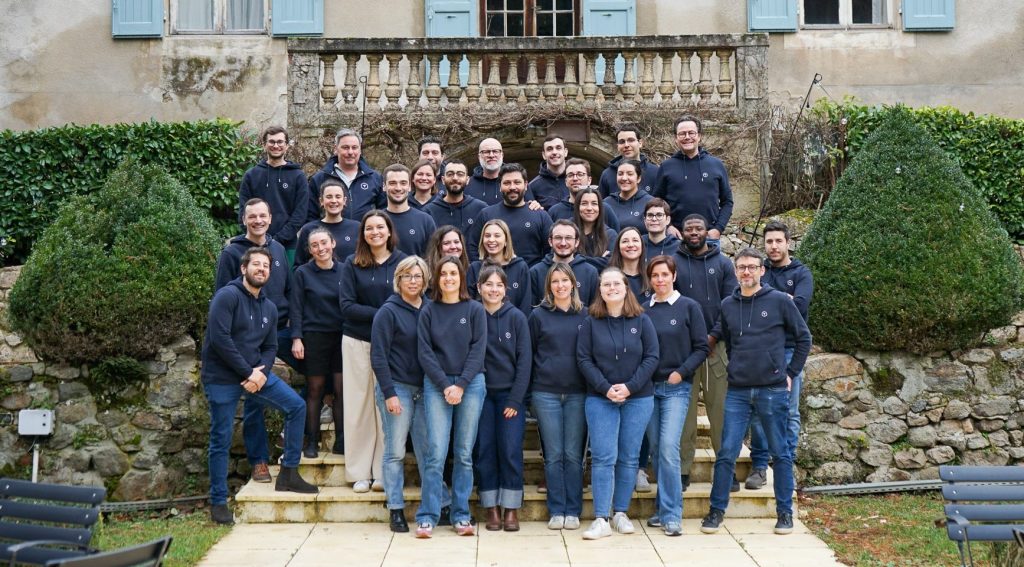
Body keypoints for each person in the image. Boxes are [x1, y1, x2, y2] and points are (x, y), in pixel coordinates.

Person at [700, 248, 811, 537]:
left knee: (781, 453)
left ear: (762, 271)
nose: (746, 272)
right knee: (726, 452)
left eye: (751, 267)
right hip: (737, 390)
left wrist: (790, 372)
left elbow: (803, 337)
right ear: (735, 271)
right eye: (741, 267)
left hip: (772, 389)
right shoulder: (727, 304)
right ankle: (716, 511)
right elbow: (722, 337)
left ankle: (785, 513)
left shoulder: (778, 301)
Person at [202, 247, 317, 525]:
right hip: (223, 376)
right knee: (221, 439)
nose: (261, 269)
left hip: (256, 373)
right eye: (256, 264)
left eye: (266, 266)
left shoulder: (268, 307)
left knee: (297, 406)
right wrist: (247, 372)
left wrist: (261, 373)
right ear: (244, 268)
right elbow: (219, 339)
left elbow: (270, 346)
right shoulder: (227, 297)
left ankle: (288, 473)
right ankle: (218, 503)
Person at [214, 198, 294, 485]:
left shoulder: (279, 250)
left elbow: (288, 290)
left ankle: (298, 437)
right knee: (254, 401)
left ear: (270, 218)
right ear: (244, 219)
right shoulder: (232, 252)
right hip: (244, 340)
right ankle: (259, 461)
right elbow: (221, 297)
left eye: (263, 215)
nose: (258, 220)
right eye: (252, 216)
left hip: (278, 333)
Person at [577, 267, 659, 540]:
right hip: (600, 399)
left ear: (626, 288)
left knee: (629, 456)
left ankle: (620, 513)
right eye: (606, 284)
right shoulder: (591, 321)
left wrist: (630, 387)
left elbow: (652, 357)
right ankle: (601, 518)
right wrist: (605, 388)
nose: (611, 288)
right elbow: (583, 359)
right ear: (599, 290)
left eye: (617, 284)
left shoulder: (642, 319)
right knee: (603, 457)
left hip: (638, 398)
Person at [416, 256, 487, 538]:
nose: (448, 278)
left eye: (453, 273)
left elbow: (478, 349)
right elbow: (425, 352)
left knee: (464, 453)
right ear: (437, 277)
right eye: (443, 273)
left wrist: (461, 384)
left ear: (461, 277)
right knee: (435, 452)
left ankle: (461, 514)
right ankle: (428, 514)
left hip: (471, 384)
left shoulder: (474, 310)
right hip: (437, 384)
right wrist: (446, 384)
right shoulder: (428, 310)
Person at [338, 211, 407, 493]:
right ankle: (359, 472)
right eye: (369, 228)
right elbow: (347, 306)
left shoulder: (402, 262)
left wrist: (389, 318)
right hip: (357, 341)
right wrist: (385, 313)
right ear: (363, 233)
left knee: (385, 407)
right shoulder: (352, 264)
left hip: (392, 345)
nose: (375, 232)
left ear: (389, 231)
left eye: (380, 227)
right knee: (358, 406)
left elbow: (410, 298)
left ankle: (381, 471)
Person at [642, 255, 709, 536]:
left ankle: (672, 514)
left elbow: (702, 347)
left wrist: (681, 372)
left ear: (673, 275)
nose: (659, 280)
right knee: (657, 451)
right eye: (654, 275)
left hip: (676, 388)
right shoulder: (643, 308)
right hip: (647, 389)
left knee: (669, 448)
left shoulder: (688, 307)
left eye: (664, 275)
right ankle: (661, 507)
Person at [745, 220, 814, 490]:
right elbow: (749, 302)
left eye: (778, 241)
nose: (773, 246)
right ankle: (760, 467)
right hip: (761, 353)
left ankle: (787, 465)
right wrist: (782, 298)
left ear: (788, 243)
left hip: (789, 351)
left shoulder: (801, 274)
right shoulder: (760, 271)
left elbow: (799, 305)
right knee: (759, 412)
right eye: (769, 241)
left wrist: (770, 299)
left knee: (789, 412)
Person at [674, 213, 738, 493]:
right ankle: (682, 470)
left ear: (707, 232)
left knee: (720, 412)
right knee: (683, 415)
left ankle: (727, 471)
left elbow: (731, 305)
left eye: (698, 227)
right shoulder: (673, 262)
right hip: (684, 352)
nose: (694, 232)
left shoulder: (723, 263)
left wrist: (712, 336)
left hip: (716, 349)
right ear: (683, 232)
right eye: (689, 228)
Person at [371, 255, 431, 533]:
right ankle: (395, 508)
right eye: (407, 276)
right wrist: (389, 393)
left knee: (427, 450)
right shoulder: (388, 311)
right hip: (397, 388)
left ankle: (437, 503)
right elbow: (379, 356)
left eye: (418, 276)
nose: (413, 281)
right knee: (395, 451)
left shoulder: (430, 308)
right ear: (398, 279)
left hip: (426, 390)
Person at [529, 263, 588, 532]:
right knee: (553, 454)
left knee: (573, 454)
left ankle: (573, 509)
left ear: (573, 284)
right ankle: (557, 509)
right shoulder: (538, 316)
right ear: (549, 286)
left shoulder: (586, 315)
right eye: (555, 281)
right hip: (546, 393)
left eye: (565, 280)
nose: (560, 285)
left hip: (577, 393)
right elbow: (528, 356)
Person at [475, 264, 532, 532]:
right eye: (488, 285)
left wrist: (515, 400)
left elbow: (525, 362)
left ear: (506, 289)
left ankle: (510, 508)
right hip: (481, 395)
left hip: (510, 396)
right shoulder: (473, 314)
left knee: (509, 450)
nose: (493, 290)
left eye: (499, 285)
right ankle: (491, 508)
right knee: (485, 450)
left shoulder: (517, 317)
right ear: (479, 288)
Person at [289, 227, 346, 458]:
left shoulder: (346, 270)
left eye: (324, 243)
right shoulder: (302, 273)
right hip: (314, 336)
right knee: (315, 390)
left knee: (342, 391)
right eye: (315, 245)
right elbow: (296, 306)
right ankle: (311, 441)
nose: (320, 248)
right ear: (310, 250)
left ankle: (341, 440)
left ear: (332, 243)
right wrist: (296, 338)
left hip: (342, 336)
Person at [654, 115, 733, 243]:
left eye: (691, 133)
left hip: (708, 238)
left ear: (699, 136)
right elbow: (656, 202)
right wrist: (668, 226)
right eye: (682, 134)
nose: (687, 137)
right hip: (677, 238)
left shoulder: (716, 165)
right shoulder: (666, 167)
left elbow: (727, 201)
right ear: (676, 138)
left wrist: (718, 229)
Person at [237, 126, 309, 261]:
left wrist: (276, 240)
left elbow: (300, 214)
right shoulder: (251, 176)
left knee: (287, 281)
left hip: (288, 246)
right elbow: (243, 212)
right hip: (255, 245)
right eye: (271, 142)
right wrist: (259, 238)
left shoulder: (298, 176)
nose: (276, 145)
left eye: (280, 142)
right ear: (264, 145)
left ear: (287, 146)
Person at [470, 163, 552, 266]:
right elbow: (473, 248)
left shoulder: (541, 215)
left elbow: (551, 250)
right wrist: (484, 273)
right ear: (500, 186)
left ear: (526, 185)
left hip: (531, 279)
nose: (512, 187)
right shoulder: (486, 214)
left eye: (517, 182)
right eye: (507, 183)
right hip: (494, 278)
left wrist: (537, 274)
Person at [307, 128, 385, 223]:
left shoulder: (375, 178)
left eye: (354, 147)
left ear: (360, 150)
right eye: (345, 147)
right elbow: (310, 215)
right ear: (336, 149)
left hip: (365, 236)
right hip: (330, 236)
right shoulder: (319, 179)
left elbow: (383, 212)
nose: (350, 152)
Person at [468, 219, 532, 314]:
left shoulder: (520, 267)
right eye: (487, 236)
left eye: (497, 236)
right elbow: (469, 304)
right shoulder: (475, 268)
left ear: (506, 240)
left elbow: (525, 304)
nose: (491, 239)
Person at [529, 220, 599, 307]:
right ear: (550, 241)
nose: (563, 243)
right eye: (558, 238)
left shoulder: (590, 272)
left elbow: (594, 309)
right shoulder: (536, 272)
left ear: (577, 242)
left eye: (568, 238)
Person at [294, 178, 360, 267]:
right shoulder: (309, 229)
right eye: (329, 197)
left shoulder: (356, 227)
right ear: (321, 201)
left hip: (350, 279)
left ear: (344, 201)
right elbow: (298, 266)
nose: (333, 201)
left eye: (338, 196)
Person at [382, 164, 437, 257]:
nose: (398, 188)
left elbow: (433, 259)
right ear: (384, 186)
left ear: (410, 186)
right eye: (392, 183)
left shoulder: (425, 221)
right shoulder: (376, 220)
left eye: (403, 183)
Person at [424, 160, 487, 238]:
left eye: (460, 174)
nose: (455, 178)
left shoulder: (480, 209)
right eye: (450, 174)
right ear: (443, 180)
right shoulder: (429, 212)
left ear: (467, 180)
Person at [597, 124, 660, 198]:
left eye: (631, 140)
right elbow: (601, 205)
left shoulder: (655, 172)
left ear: (640, 143)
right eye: (622, 142)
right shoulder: (607, 174)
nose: (626, 145)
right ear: (617, 146)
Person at [549, 158, 608, 224]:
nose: (575, 178)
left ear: (589, 180)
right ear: (566, 181)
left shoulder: (603, 208)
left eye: (580, 174)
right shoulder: (555, 211)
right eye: (570, 175)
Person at [604, 159, 655, 235]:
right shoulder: (606, 203)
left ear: (638, 178)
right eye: (620, 174)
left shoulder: (650, 203)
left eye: (630, 174)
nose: (624, 178)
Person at [573, 187, 618, 263]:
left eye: (594, 203)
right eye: (584, 203)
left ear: (600, 207)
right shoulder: (568, 231)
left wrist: (575, 259)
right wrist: (600, 261)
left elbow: (611, 263)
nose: (589, 208)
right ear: (578, 207)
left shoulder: (610, 234)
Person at [607, 226, 651, 303]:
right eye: (625, 241)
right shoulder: (608, 277)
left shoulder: (651, 275)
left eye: (635, 240)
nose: (631, 245)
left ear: (642, 246)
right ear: (618, 247)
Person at [528, 134, 569, 210]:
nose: (554, 152)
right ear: (544, 155)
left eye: (558, 148)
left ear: (565, 152)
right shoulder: (533, 186)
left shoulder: (576, 181)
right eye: (549, 149)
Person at [465, 138, 506, 205]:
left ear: (502, 155)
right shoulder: (467, 184)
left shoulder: (514, 183)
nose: (491, 155)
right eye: (486, 152)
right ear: (479, 157)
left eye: (495, 151)